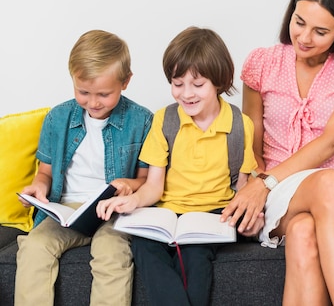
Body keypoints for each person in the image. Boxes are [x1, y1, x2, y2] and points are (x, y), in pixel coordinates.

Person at [219, 0, 334, 305]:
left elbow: (329, 144)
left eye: (320, 31)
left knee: (306, 225)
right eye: (299, 22)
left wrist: (263, 183)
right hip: (282, 194)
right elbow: (252, 132)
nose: (305, 37)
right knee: (307, 213)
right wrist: (253, 183)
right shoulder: (263, 62)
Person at [96, 26, 258, 306]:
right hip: (166, 214)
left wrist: (247, 220)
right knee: (144, 248)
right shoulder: (164, 120)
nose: (186, 94)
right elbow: (153, 187)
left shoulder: (240, 125)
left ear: (219, 81)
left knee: (196, 257)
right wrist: (132, 201)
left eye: (198, 85)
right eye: (177, 83)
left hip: (213, 216)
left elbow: (242, 189)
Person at [14, 30, 153, 306]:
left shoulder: (142, 120)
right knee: (33, 247)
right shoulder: (58, 118)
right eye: (83, 92)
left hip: (112, 210)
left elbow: (146, 180)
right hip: (68, 211)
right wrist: (38, 188)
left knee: (112, 252)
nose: (93, 102)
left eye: (103, 94)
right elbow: (45, 172)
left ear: (125, 82)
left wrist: (128, 185)